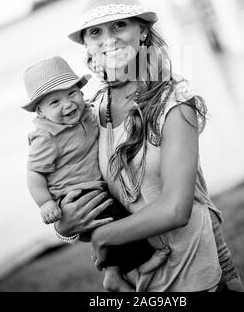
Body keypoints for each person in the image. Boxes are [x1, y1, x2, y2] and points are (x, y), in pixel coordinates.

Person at [56, 0, 243, 292]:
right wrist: (67, 226)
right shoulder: (91, 113)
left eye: (119, 25)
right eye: (95, 32)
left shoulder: (174, 103)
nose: (108, 39)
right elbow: (88, 194)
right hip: (140, 283)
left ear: (141, 31)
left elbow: (176, 209)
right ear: (86, 44)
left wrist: (104, 239)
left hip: (199, 275)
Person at [22, 56, 169, 292]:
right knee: (119, 224)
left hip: (96, 189)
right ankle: (136, 266)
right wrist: (45, 203)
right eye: (55, 102)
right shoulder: (46, 137)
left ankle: (114, 275)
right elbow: (34, 174)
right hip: (74, 197)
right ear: (40, 111)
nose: (68, 104)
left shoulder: (89, 113)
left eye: (72, 94)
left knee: (118, 221)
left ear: (81, 92)